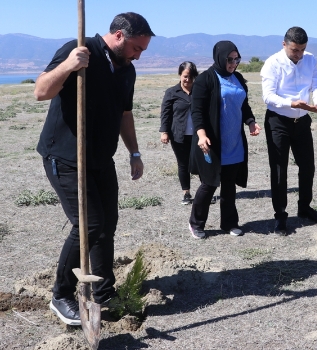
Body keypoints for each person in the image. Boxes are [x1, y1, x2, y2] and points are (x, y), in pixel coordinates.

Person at [33, 12, 154, 326]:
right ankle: (61, 295)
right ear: (117, 36)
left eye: (142, 50)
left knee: (107, 225)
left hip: (101, 159)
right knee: (88, 225)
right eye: (136, 48)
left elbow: (125, 113)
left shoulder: (127, 71)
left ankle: (102, 292)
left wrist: (134, 152)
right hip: (66, 158)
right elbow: (41, 91)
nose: (138, 55)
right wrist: (70, 65)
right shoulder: (79, 48)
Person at [188, 40, 261, 239]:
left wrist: (251, 122)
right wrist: (201, 135)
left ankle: (229, 222)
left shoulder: (237, 77)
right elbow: (197, 112)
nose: (233, 63)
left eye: (237, 59)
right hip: (212, 143)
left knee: (229, 186)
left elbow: (243, 105)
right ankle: (196, 223)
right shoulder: (205, 80)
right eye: (230, 59)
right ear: (220, 57)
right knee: (210, 183)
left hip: (234, 142)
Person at [260, 26, 317, 236]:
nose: (298, 54)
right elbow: (268, 96)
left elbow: (316, 83)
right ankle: (280, 216)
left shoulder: (310, 59)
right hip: (278, 121)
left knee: (308, 166)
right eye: (294, 50)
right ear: (284, 45)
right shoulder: (272, 63)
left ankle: (305, 207)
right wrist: (292, 103)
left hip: (302, 121)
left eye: (302, 49)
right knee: (280, 170)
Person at [159, 61, 199, 205]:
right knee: (183, 164)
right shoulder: (172, 92)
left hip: (198, 135)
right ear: (180, 75)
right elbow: (165, 113)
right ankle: (186, 193)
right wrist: (164, 131)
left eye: (191, 77)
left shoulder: (200, 90)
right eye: (185, 76)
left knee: (200, 163)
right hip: (178, 135)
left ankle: (203, 192)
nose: (188, 80)